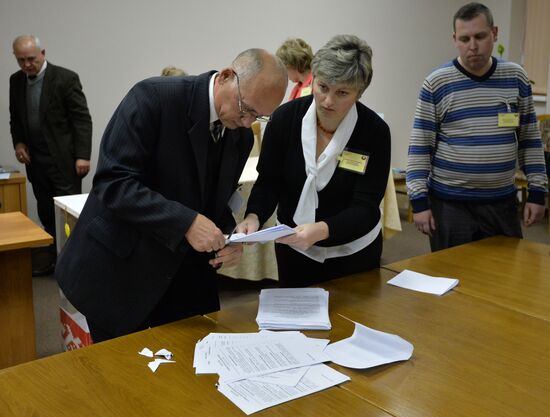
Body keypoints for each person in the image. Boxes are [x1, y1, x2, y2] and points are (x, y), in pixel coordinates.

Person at [55, 48, 287, 342]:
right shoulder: (153, 97)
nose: (246, 123)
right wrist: (186, 222)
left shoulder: (239, 135)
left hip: (183, 277)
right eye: (246, 109)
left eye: (258, 117)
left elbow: (215, 200)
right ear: (226, 77)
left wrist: (229, 237)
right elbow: (113, 182)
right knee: (121, 374)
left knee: (190, 370)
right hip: (122, 270)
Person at [238, 35, 391, 287]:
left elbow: (366, 206)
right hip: (294, 249)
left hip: (353, 251)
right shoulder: (285, 120)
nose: (328, 101)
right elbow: (269, 182)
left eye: (342, 92)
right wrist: (254, 216)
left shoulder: (374, 131)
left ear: (359, 93)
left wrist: (321, 230)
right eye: (322, 87)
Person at [406, 2, 548, 252]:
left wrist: (537, 192)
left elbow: (529, 140)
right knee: (451, 279)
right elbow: (420, 146)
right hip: (449, 205)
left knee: (503, 277)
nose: (473, 45)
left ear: (494, 33)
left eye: (480, 36)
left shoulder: (516, 78)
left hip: (501, 203)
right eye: (465, 38)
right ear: (455, 40)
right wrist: (418, 201)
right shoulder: (437, 83)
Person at [9, 35, 92, 276]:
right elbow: (16, 117)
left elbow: (81, 119)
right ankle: (55, 258)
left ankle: (74, 264)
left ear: (43, 53)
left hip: (64, 160)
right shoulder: (16, 81)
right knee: (45, 210)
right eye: (21, 60)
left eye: (31, 59)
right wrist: (19, 143)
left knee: (67, 213)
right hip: (35, 160)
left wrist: (83, 155)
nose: (27, 65)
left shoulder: (65, 78)